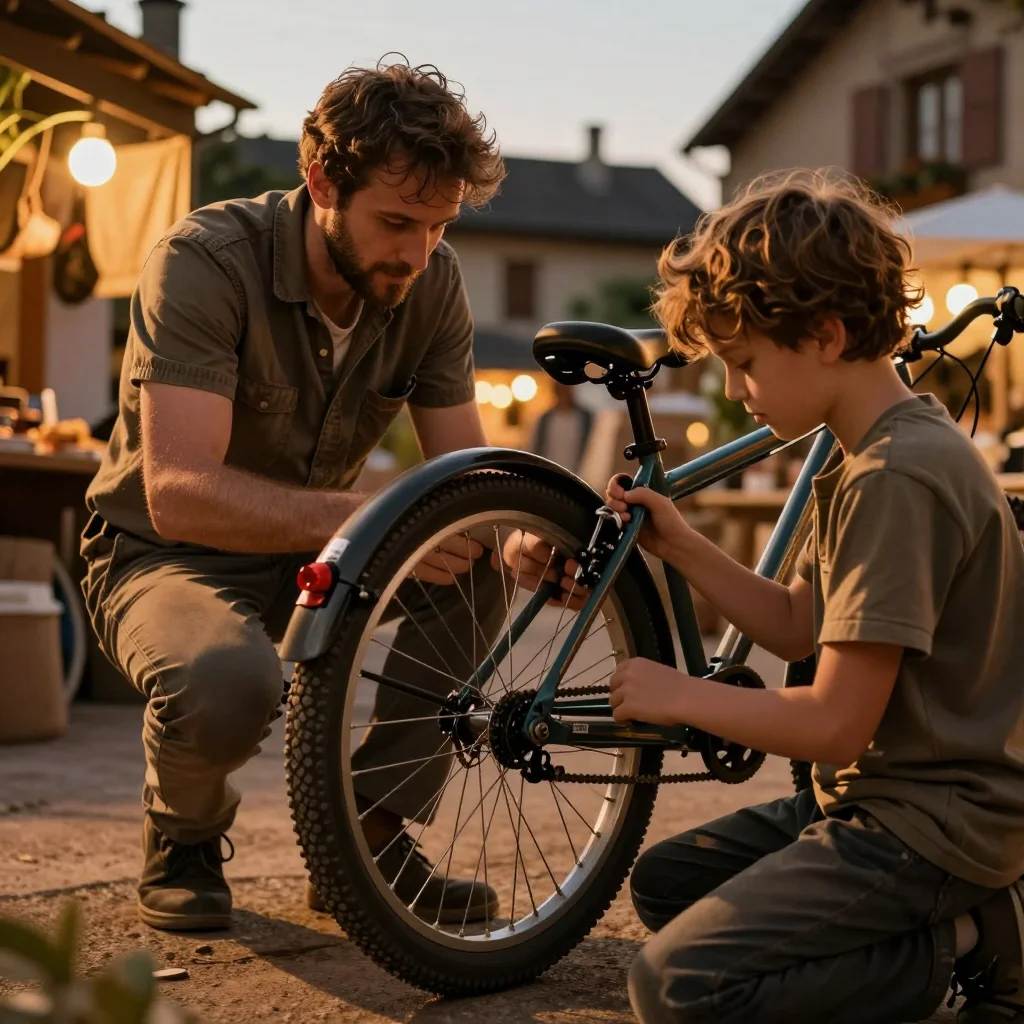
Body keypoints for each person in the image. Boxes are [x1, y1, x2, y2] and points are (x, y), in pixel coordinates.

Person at [516, 169, 1024, 1022]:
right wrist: (682, 545)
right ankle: (945, 923)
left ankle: (977, 938)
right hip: (875, 800)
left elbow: (835, 724)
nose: (734, 388)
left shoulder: (896, 477)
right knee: (669, 884)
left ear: (825, 335)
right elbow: (797, 627)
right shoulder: (866, 452)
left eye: (744, 362)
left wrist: (681, 695)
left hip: (933, 824)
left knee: (674, 986)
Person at [80, 59, 509, 932]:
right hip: (165, 556)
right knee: (229, 680)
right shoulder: (204, 261)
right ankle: (184, 834)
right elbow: (178, 496)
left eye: (438, 226)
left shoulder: (432, 281)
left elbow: (468, 481)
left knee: (477, 565)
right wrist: (366, 517)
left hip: (319, 554)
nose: (417, 252)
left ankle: (367, 845)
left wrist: (523, 535)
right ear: (321, 183)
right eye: (396, 222)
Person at [528, 381, 593, 474]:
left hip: (579, 474)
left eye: (565, 388)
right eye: (560, 389)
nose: (563, 392)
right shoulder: (546, 419)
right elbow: (537, 447)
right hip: (549, 473)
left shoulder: (584, 418)